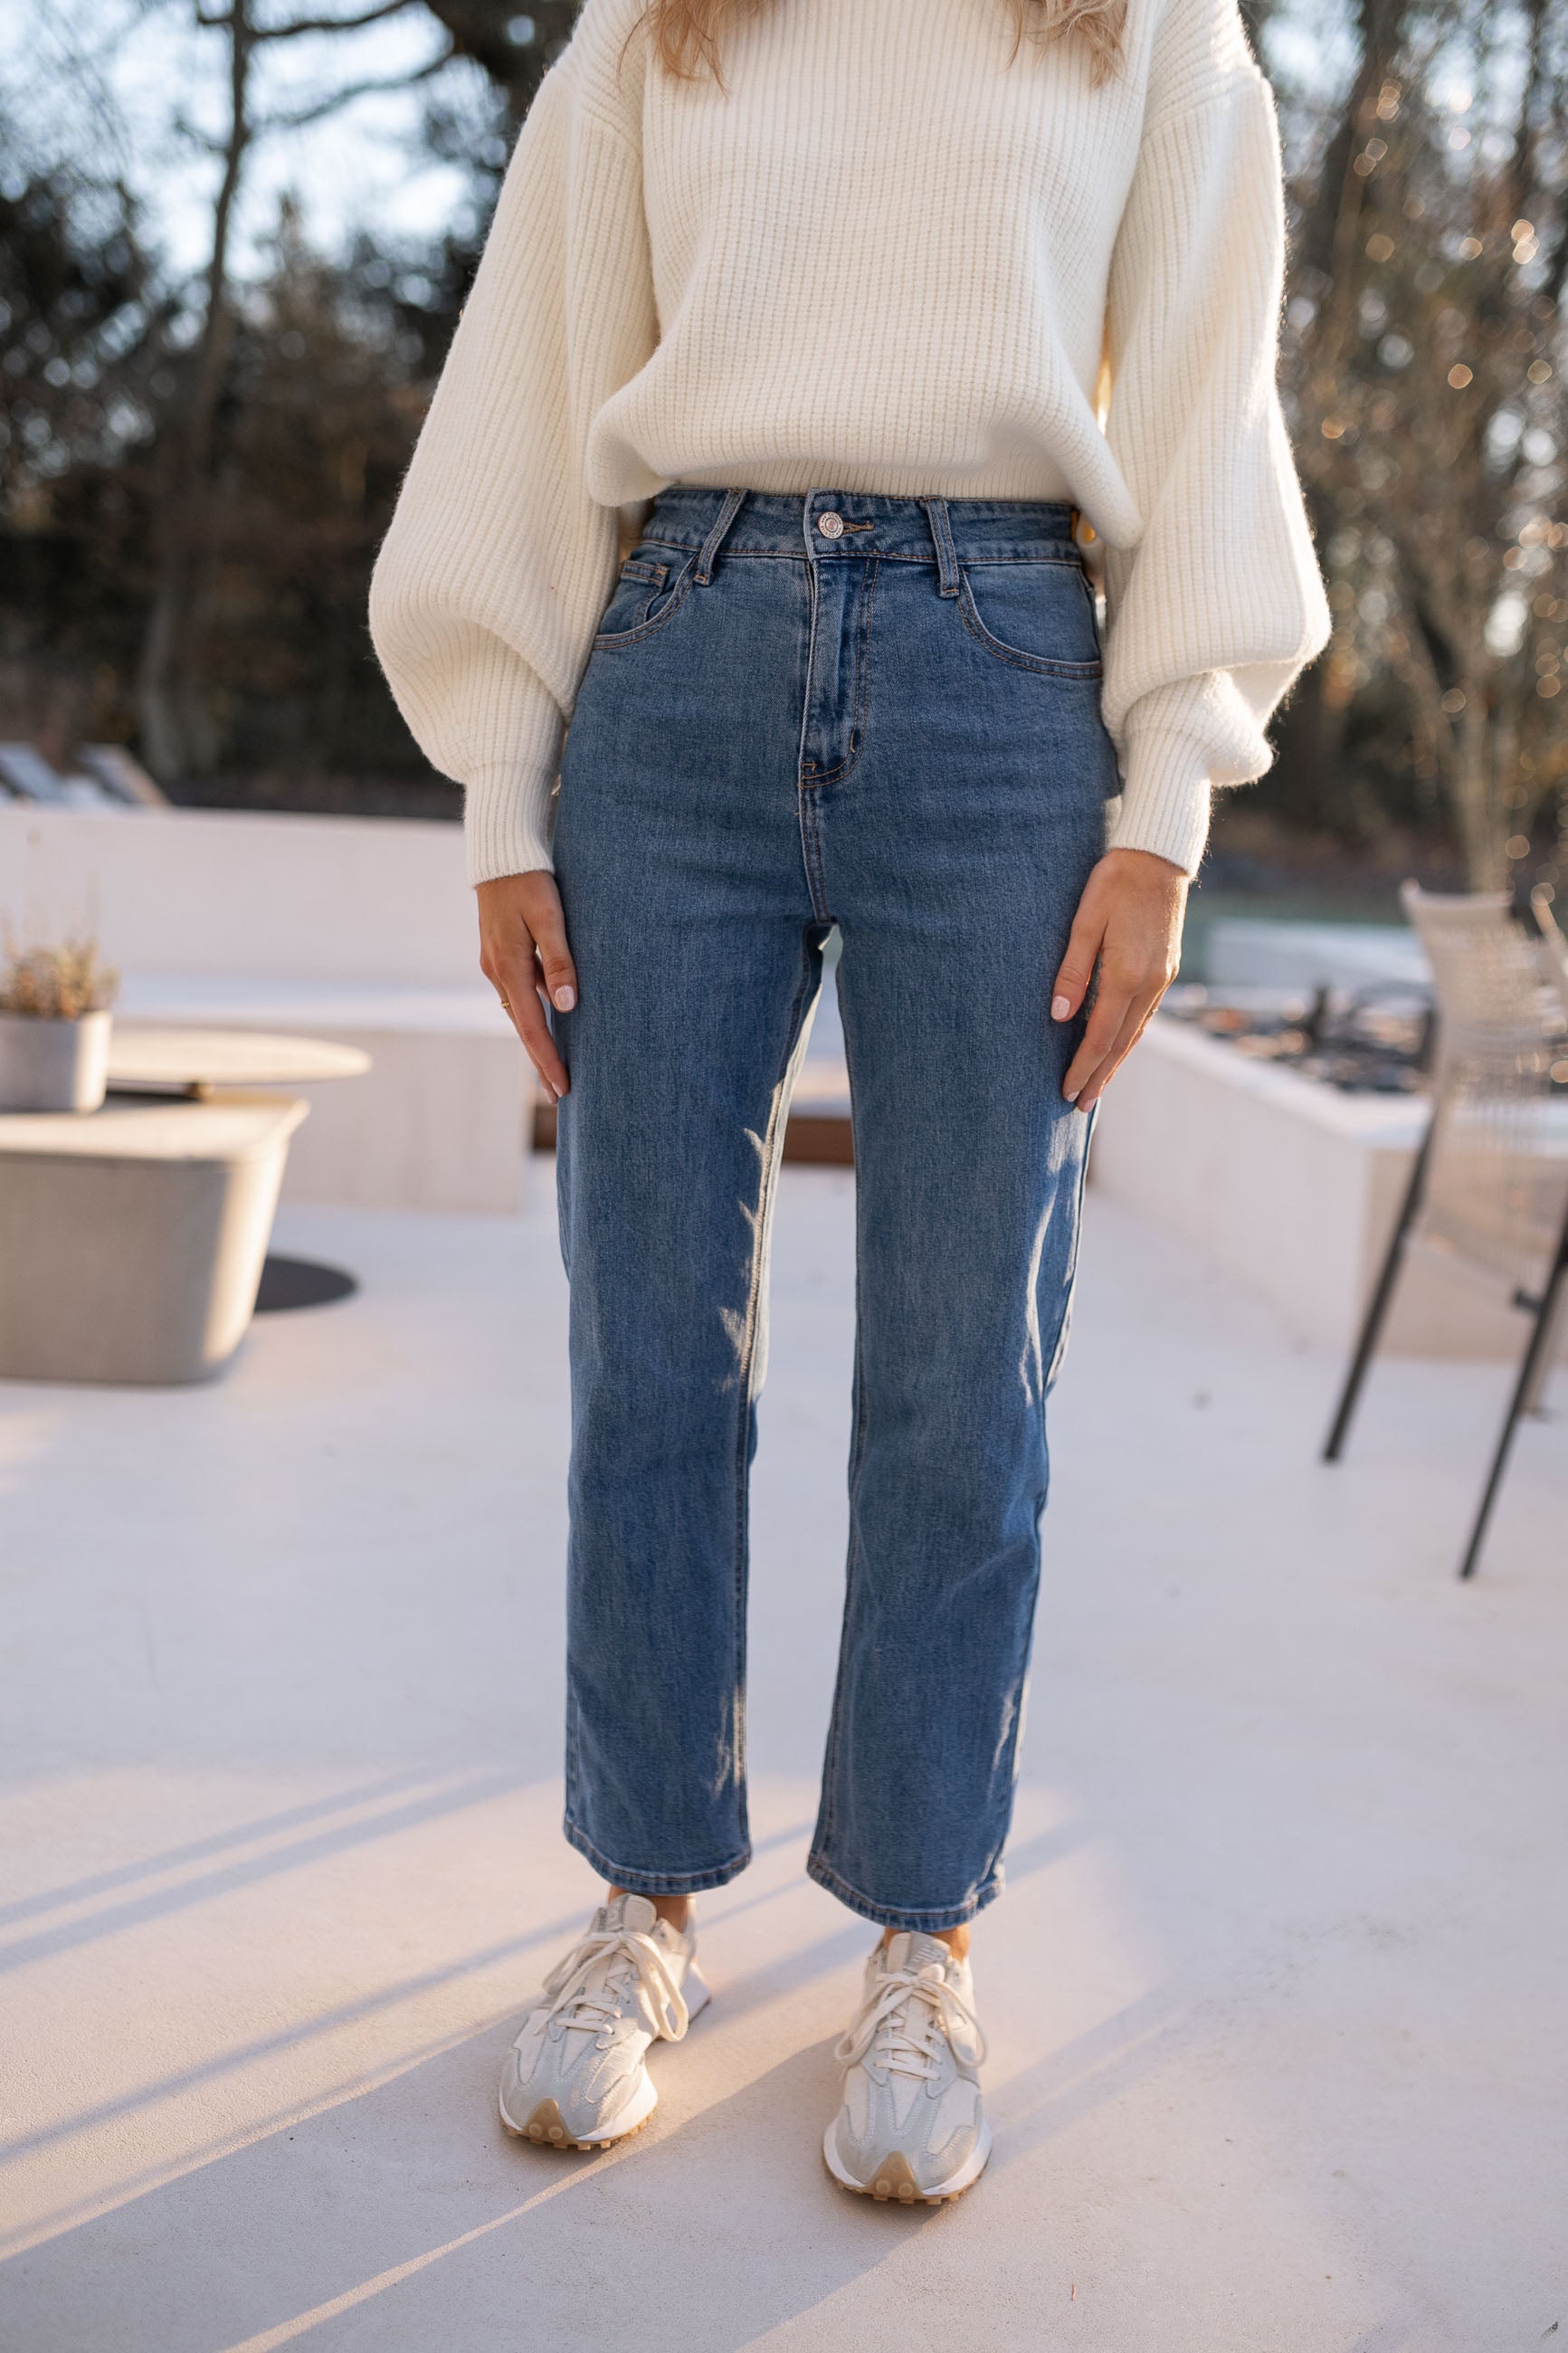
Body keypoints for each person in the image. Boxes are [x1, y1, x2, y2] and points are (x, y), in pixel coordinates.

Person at [369, 0, 1329, 2205]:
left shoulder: (1151, 18)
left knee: (962, 1375)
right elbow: (528, 370)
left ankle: (923, 1932)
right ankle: (644, 1910)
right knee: (649, 1357)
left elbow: (1207, 397)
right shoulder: (664, 20)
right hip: (673, 655)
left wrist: (1167, 801)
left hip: (1005, 683)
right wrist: (504, 790)